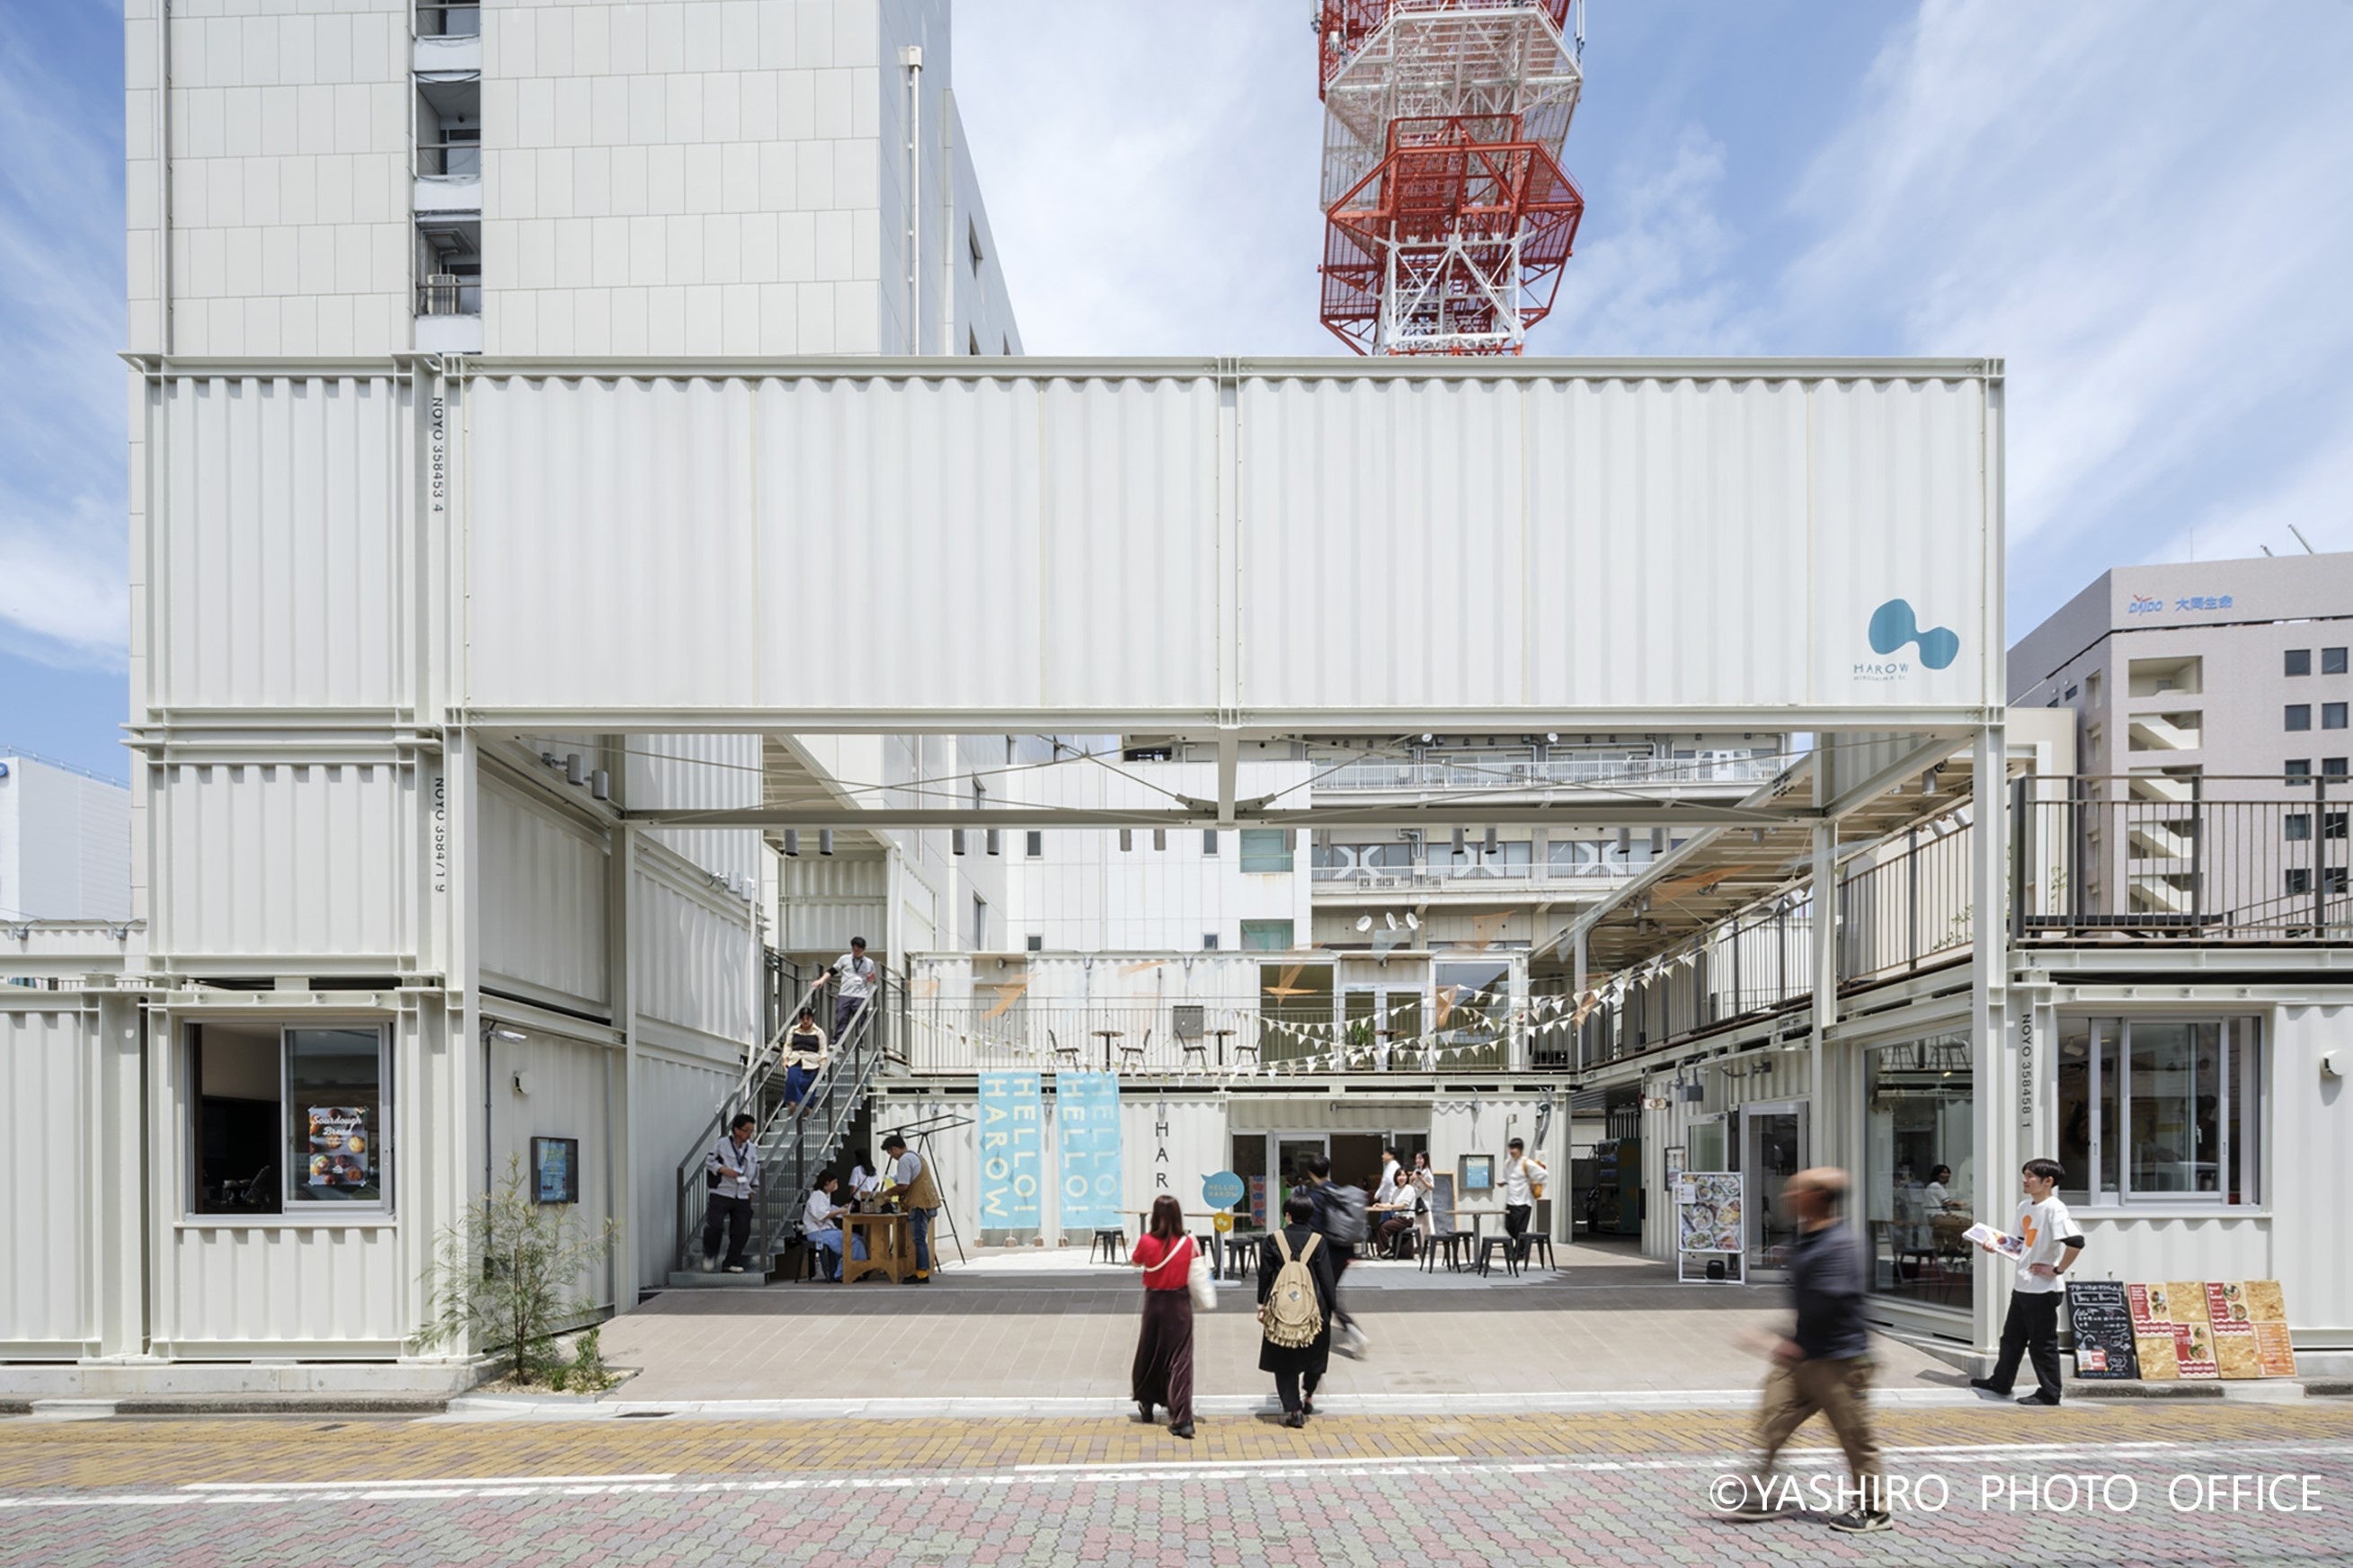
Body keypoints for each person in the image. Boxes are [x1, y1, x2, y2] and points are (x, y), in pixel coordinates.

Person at [1720, 1166, 1890, 1535]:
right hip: (1802, 1355)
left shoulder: (1842, 1244)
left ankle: (1873, 1510)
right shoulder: (1806, 1237)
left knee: (1854, 1436)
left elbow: (1832, 1300)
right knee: (1773, 1420)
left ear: (1818, 1197)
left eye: (1796, 1192)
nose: (1788, 1197)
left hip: (1840, 1360)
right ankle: (1761, 1493)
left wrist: (1781, 1341)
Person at [1970, 1158, 2085, 1407]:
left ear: (2048, 1181)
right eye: (2024, 1175)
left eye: (2030, 1176)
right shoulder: (2025, 1206)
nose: (2025, 1180)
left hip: (2043, 1289)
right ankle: (2001, 1382)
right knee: (2011, 1339)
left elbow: (2076, 1241)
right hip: (2023, 1285)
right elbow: (2019, 1244)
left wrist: (2057, 1269)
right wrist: (1993, 1245)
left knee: (2042, 1344)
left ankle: (2050, 1393)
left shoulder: (2055, 1208)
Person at [1257, 1192, 1338, 1428]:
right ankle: (1309, 1395)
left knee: (1284, 1360)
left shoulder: (1273, 1240)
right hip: (1314, 1309)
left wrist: (1261, 1304)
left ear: (1287, 1215)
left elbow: (1265, 1275)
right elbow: (1326, 1278)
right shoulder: (1318, 1241)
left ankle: (1294, 1410)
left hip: (1282, 1311)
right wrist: (1331, 1308)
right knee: (1315, 1357)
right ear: (1310, 1215)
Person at [1130, 1194, 1198, 1440]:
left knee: (1149, 1352)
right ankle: (1182, 1418)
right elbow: (1197, 1268)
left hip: (1154, 1303)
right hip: (1179, 1304)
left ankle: (1146, 1402)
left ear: (1154, 1215)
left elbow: (1135, 1262)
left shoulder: (1147, 1241)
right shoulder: (1188, 1242)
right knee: (1180, 1360)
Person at [1301, 1155, 1368, 1357]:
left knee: (1327, 1295)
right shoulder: (1339, 1193)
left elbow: (1313, 1229)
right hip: (1344, 1250)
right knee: (1326, 1293)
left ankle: (1354, 1333)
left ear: (1311, 1173)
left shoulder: (1315, 1196)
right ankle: (1325, 1332)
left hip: (1325, 1253)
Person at [702, 1112, 760, 1273]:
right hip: (721, 1191)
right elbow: (709, 1162)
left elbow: (756, 1170)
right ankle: (710, 1255)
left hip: (743, 1193)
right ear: (736, 1130)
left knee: (742, 1230)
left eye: (751, 1131)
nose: (749, 1134)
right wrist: (723, 1170)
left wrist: (753, 1189)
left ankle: (730, 1262)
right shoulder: (722, 1144)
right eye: (746, 1130)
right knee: (715, 1225)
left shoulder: (752, 1149)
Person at [881, 1132, 942, 1283]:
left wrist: (888, 1192)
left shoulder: (904, 1160)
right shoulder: (916, 1156)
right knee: (920, 1239)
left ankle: (921, 1274)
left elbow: (903, 1185)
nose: (891, 1156)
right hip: (928, 1202)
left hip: (918, 1204)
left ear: (895, 1149)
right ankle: (920, 1271)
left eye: (890, 1153)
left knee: (918, 1240)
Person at [1501, 1137, 1547, 1256]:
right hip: (1511, 1201)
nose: (1512, 1151)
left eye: (1514, 1148)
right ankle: (1522, 1246)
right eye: (1510, 1148)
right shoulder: (1508, 1163)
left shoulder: (1527, 1163)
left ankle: (1519, 1252)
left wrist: (1535, 1182)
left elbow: (1543, 1174)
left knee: (1520, 1230)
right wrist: (1504, 1182)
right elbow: (1508, 1178)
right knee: (1509, 1226)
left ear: (1520, 1150)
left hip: (1524, 1202)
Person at [804, 1171, 850, 1281]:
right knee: (849, 1240)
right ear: (827, 1183)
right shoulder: (817, 1195)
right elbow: (821, 1215)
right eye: (834, 1183)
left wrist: (841, 1209)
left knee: (852, 1238)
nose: (836, 1185)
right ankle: (842, 1272)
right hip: (817, 1232)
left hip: (824, 1230)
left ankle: (843, 1270)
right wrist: (840, 1211)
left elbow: (828, 1210)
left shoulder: (824, 1196)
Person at [782, 1006, 829, 1114]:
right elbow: (788, 1045)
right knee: (791, 1080)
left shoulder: (818, 1032)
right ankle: (795, 1104)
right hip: (795, 1060)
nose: (805, 1021)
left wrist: (823, 1063)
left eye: (808, 1019)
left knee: (807, 1086)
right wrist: (785, 1059)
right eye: (803, 1019)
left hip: (811, 1062)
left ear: (812, 1018)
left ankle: (806, 1107)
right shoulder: (794, 1030)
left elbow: (823, 1049)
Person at [830, 936, 878, 1041]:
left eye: (859, 950)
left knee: (861, 1019)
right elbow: (833, 970)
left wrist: (871, 978)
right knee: (841, 1018)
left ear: (864, 949)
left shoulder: (869, 962)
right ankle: (839, 1042)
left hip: (861, 995)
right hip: (845, 994)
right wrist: (821, 980)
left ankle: (860, 1042)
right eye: (855, 950)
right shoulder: (844, 959)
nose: (857, 952)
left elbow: (872, 979)